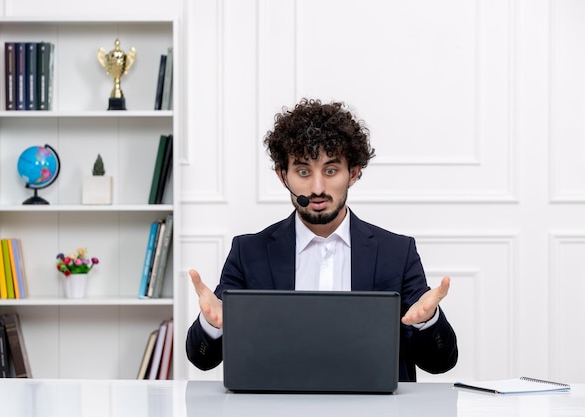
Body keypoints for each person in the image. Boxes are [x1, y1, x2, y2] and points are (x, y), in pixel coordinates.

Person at [186, 98, 458, 381]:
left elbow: (440, 363)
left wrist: (428, 320)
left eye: (330, 171)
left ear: (353, 173)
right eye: (303, 171)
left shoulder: (397, 253)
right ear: (283, 176)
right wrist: (212, 325)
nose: (317, 188)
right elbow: (202, 359)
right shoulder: (248, 252)